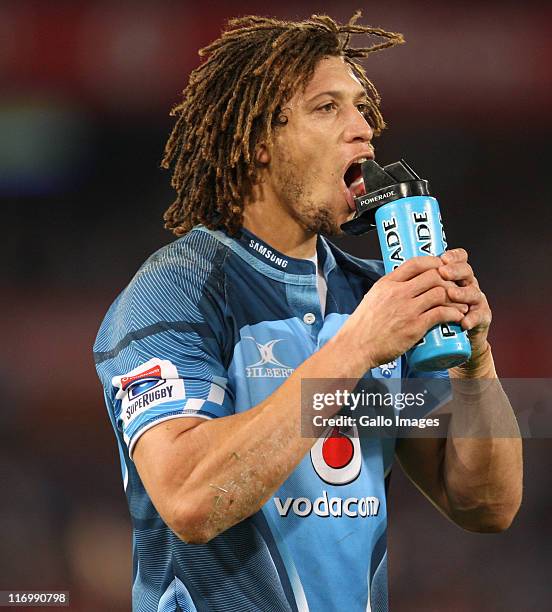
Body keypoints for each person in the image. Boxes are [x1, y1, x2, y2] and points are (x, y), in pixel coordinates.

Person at [93, 13, 522, 611]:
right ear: (259, 142)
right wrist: (354, 349)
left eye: (361, 107)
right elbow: (190, 499)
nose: (364, 130)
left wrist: (475, 360)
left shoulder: (375, 298)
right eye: (328, 108)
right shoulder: (176, 290)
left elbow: (485, 505)